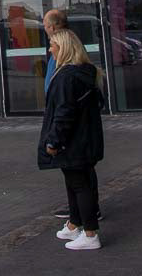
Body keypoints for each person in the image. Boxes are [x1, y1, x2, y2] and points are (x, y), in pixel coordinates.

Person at [40, 29, 105, 251]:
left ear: (63, 47)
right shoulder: (86, 72)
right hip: (85, 139)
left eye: (52, 45)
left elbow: (63, 113)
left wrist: (53, 142)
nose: (50, 49)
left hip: (73, 142)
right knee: (75, 181)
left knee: (79, 184)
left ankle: (90, 233)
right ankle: (74, 224)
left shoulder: (67, 76)